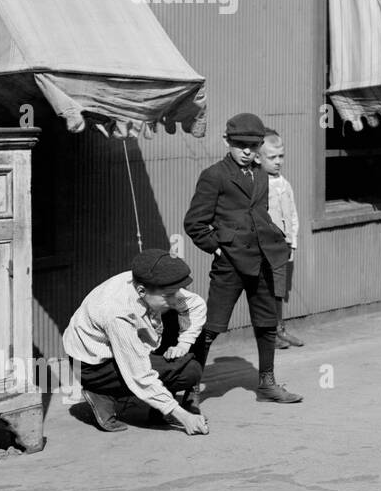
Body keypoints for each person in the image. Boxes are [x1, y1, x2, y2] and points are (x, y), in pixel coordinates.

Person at [183, 112, 302, 405]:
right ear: (226, 141)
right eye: (240, 145)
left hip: (263, 260)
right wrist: (218, 248)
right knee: (211, 326)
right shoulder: (214, 175)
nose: (247, 151)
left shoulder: (262, 174)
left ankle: (267, 384)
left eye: (253, 145)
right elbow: (194, 223)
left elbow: (258, 215)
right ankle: (191, 390)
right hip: (230, 264)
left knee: (267, 323)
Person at [62, 249, 209, 435]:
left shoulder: (152, 286)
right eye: (168, 295)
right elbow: (139, 375)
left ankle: (158, 407)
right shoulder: (117, 313)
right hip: (92, 367)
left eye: (176, 292)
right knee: (189, 371)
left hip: (124, 346)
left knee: (185, 327)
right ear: (141, 291)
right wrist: (183, 416)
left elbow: (196, 305)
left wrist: (183, 344)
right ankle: (100, 392)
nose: (175, 299)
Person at [260, 129, 303, 350]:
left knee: (277, 290)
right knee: (264, 292)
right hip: (265, 248)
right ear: (259, 157)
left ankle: (280, 329)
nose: (278, 162)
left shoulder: (284, 184)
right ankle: (269, 334)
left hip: (282, 247)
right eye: (272, 157)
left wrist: (292, 241)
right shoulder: (258, 185)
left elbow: (292, 214)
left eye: (281, 156)